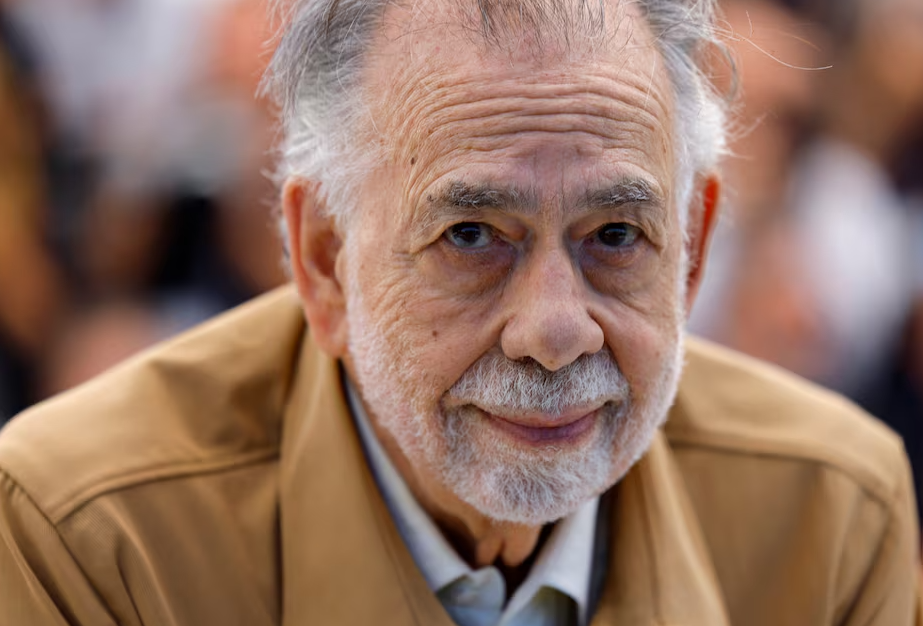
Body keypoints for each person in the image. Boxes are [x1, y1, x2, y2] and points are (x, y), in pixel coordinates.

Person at [0, 0, 919, 624]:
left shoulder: (830, 518)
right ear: (323, 261)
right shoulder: (92, 539)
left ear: (691, 251)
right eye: (472, 236)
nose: (554, 333)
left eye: (615, 235)